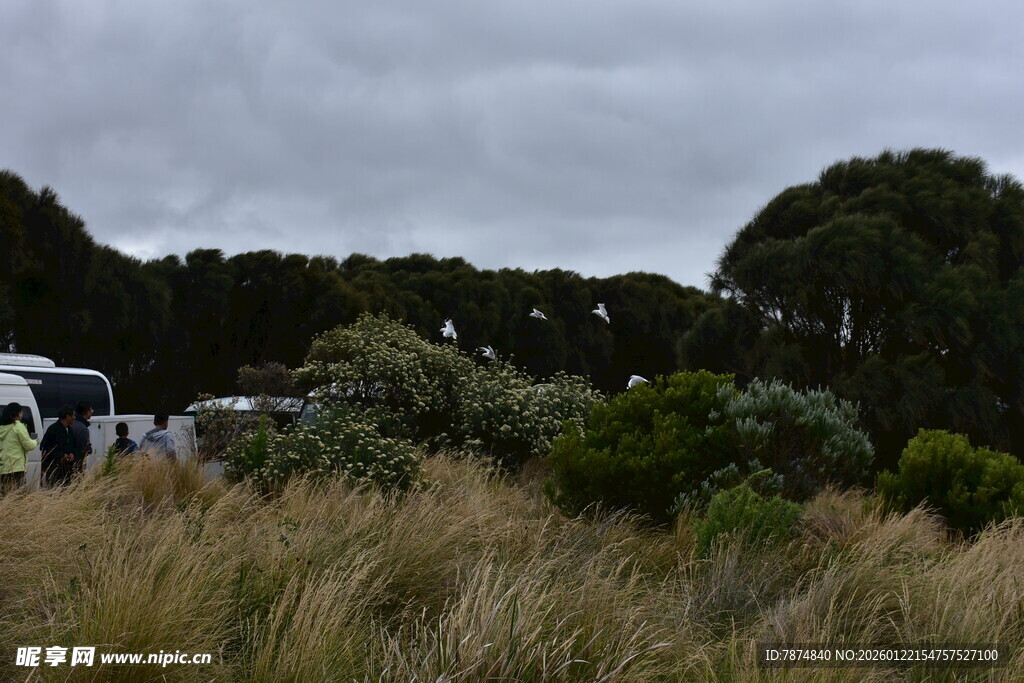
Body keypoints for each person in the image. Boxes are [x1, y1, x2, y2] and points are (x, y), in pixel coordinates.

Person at [0, 402, 38, 493]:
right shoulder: (18, 426)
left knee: (6, 496)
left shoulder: (2, 428)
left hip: (3, 468)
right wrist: (35, 442)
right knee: (18, 496)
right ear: (18, 413)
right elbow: (29, 445)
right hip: (16, 468)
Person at [40, 404, 78, 487]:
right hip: (55, 468)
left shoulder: (70, 430)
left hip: (67, 469)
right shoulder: (53, 429)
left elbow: (74, 446)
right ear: (67, 416)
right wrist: (61, 455)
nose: (74, 418)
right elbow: (44, 447)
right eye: (73, 415)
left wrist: (72, 454)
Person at [70, 401, 94, 474]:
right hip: (78, 462)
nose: (92, 412)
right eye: (91, 410)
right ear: (87, 412)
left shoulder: (72, 424)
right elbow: (85, 449)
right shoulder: (83, 428)